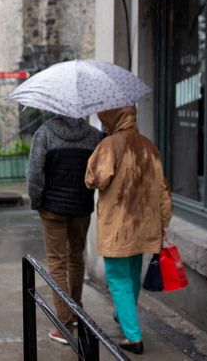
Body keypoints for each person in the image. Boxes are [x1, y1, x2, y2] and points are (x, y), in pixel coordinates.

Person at [85, 106, 172, 355]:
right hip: (145, 224)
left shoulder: (110, 145)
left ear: (113, 118)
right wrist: (164, 222)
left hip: (119, 226)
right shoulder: (149, 146)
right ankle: (124, 316)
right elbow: (163, 188)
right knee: (132, 275)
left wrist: (95, 157)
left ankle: (133, 336)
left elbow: (94, 179)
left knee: (118, 278)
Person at [27, 114, 104, 344]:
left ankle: (63, 324)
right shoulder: (94, 136)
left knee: (57, 263)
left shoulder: (45, 132)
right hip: (81, 207)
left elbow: (34, 174)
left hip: (52, 208)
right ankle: (76, 310)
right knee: (76, 258)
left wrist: (36, 200)